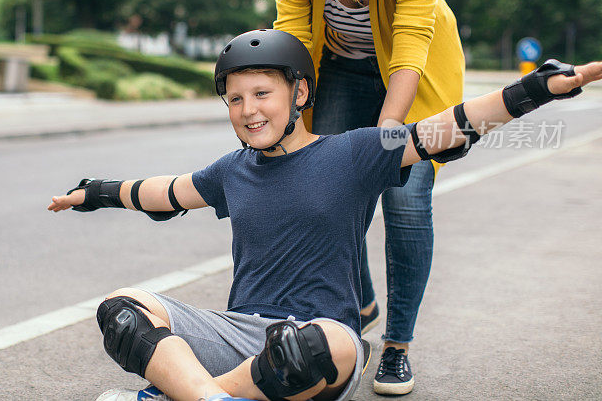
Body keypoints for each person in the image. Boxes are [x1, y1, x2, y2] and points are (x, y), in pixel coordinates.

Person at [48, 29, 600, 401]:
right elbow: (164, 193)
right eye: (235, 99)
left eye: (262, 93)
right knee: (123, 309)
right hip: (240, 332)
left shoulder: (354, 153)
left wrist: (535, 90)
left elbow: (448, 126)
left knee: (322, 348)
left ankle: (184, 391)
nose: (248, 110)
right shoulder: (232, 171)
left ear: (300, 93)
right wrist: (97, 191)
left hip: (320, 335)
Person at [259, 0, 465, 393]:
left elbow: (413, 41)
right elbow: (292, 46)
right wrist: (290, 133)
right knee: (322, 186)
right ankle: (359, 300)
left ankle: (396, 345)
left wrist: (388, 135)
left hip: (413, 77)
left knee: (407, 198)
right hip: (341, 74)